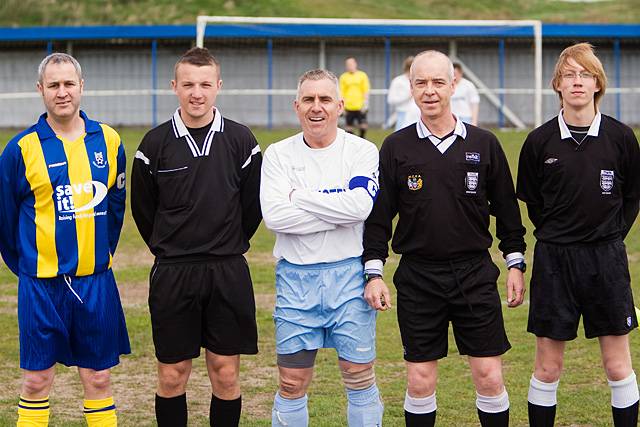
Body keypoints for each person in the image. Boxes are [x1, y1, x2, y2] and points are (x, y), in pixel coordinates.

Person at [363, 50, 527, 427]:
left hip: (475, 274)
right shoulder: (395, 147)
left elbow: (507, 212)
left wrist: (515, 264)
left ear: (454, 84)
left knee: (489, 376)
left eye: (438, 82)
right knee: (420, 381)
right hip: (418, 277)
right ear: (410, 87)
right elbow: (378, 219)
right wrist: (373, 272)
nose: (430, 91)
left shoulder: (484, 144)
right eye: (421, 83)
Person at [131, 47, 262, 427]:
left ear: (219, 86)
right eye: (188, 84)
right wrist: (172, 245)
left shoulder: (241, 140)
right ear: (175, 87)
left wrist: (226, 242)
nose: (197, 92)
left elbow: (252, 208)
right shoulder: (154, 145)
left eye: (205, 84)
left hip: (227, 270)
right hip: (174, 271)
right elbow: (144, 212)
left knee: (225, 373)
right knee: (172, 375)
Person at [0, 52, 130, 426]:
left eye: (69, 83)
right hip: (41, 285)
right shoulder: (21, 149)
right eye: (53, 85)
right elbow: (6, 223)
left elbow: (116, 206)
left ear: (81, 87)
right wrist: (29, 265)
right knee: (37, 380)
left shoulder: (108, 139)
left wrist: (99, 253)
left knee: (99, 377)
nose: (62, 92)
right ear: (40, 90)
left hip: (95, 281)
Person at [517, 42, 640, 427]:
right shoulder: (538, 141)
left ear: (597, 84)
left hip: (606, 260)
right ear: (557, 84)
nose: (577, 82)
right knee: (548, 366)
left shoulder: (621, 138)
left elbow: (632, 196)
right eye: (569, 74)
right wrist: (560, 234)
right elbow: (534, 202)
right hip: (554, 261)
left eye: (585, 75)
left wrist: (609, 234)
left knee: (618, 365)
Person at [261, 69, 385, 427]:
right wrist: (339, 212)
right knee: (291, 381)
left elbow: (361, 207)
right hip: (295, 280)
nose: (317, 108)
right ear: (296, 106)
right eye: (309, 100)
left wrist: (298, 197)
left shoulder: (362, 150)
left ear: (340, 106)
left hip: (349, 277)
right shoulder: (278, 154)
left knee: (358, 375)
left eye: (325, 99)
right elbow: (275, 218)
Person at [339, 57, 371, 138]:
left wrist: (365, 104)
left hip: (360, 106)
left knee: (363, 126)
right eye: (348, 64)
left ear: (355, 64)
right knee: (349, 128)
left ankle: (362, 139)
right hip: (348, 106)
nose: (350, 66)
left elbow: (366, 90)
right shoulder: (343, 77)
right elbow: (341, 92)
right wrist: (343, 107)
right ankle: (354, 141)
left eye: (351, 64)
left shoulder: (362, 75)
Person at [387, 56, 421, 131]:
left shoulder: (419, 81)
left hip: (418, 115)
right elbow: (391, 100)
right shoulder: (398, 81)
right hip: (403, 115)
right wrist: (408, 96)